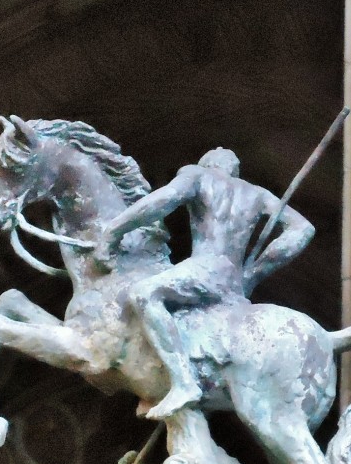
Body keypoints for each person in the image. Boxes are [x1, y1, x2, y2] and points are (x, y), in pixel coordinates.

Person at [97, 147, 316, 419]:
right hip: (232, 282)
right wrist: (256, 272)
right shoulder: (258, 194)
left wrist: (114, 230)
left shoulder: (198, 175)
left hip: (205, 268)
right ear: (234, 169)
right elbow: (302, 229)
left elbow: (164, 200)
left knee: (144, 294)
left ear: (208, 164)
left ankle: (183, 382)